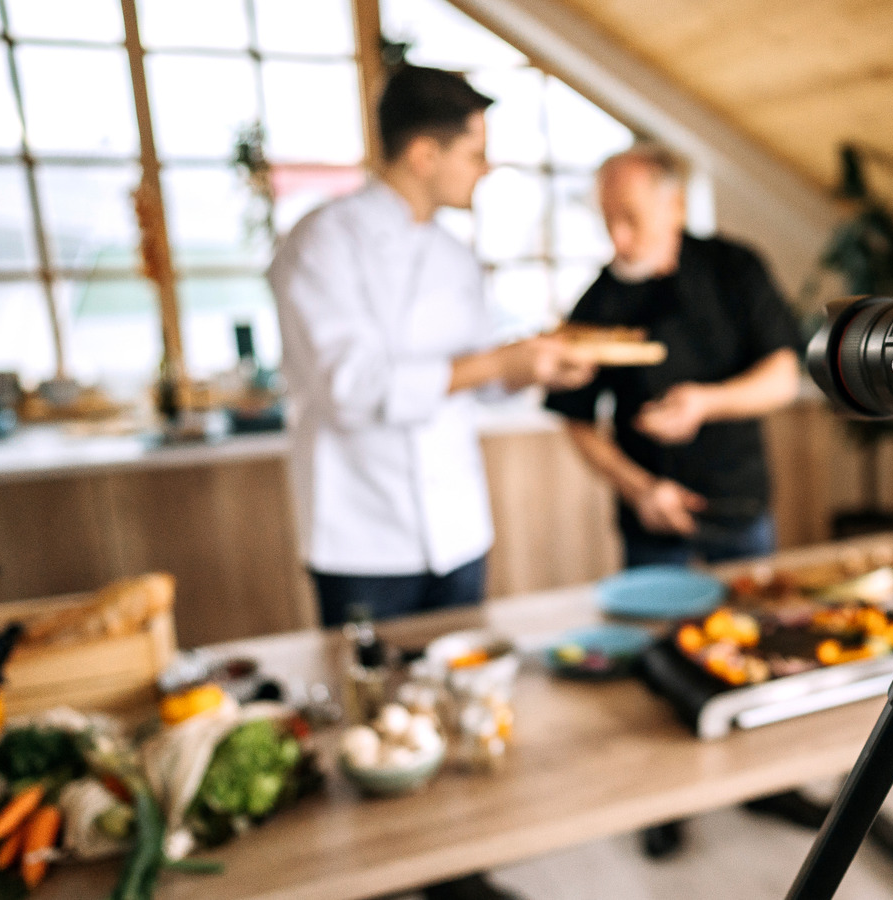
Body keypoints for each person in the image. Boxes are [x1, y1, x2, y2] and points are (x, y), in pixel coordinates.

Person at [269, 66, 594, 900]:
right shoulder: (319, 244)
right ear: (423, 151)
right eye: (474, 153)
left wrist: (533, 362)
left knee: (463, 702)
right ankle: (388, 874)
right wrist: (495, 360)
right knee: (380, 720)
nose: (482, 171)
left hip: (455, 520)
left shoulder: (452, 254)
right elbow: (352, 387)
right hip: (362, 529)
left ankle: (459, 871)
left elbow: (477, 376)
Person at [544, 143, 801, 569]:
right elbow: (577, 422)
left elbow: (783, 378)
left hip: (739, 507)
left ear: (675, 207)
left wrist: (704, 403)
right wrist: (641, 488)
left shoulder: (734, 268)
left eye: (630, 218)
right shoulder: (596, 303)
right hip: (649, 519)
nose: (617, 238)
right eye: (608, 220)